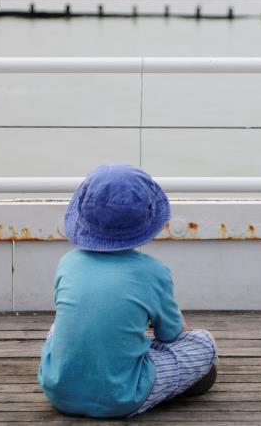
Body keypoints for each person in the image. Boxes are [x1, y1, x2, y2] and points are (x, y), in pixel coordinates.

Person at [37, 163, 217, 418]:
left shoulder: (67, 262)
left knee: (58, 329)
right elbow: (171, 336)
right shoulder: (153, 272)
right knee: (203, 342)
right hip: (121, 398)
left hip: (58, 391)